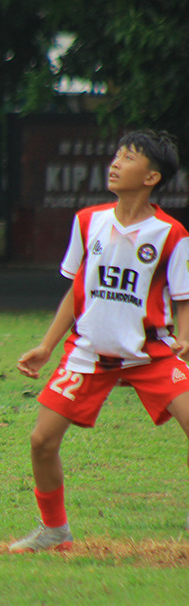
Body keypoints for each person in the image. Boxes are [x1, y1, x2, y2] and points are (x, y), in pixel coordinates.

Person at [11, 129, 189, 552]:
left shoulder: (171, 235)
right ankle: (55, 531)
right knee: (41, 441)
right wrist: (46, 346)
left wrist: (185, 338)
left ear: (152, 177)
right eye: (116, 156)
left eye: (128, 158)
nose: (115, 163)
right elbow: (76, 293)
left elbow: (184, 298)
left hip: (152, 353)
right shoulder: (88, 221)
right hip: (89, 351)